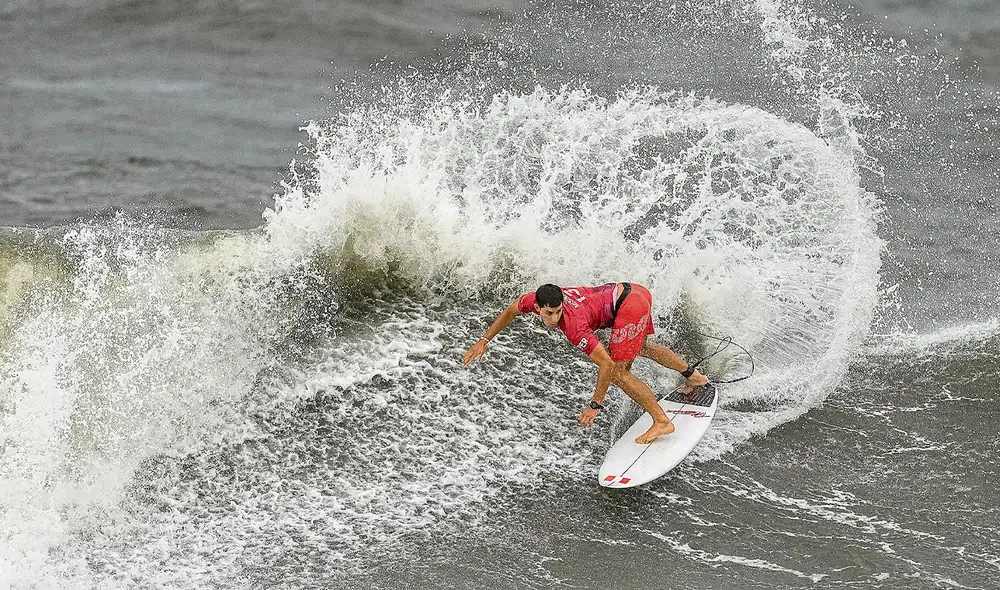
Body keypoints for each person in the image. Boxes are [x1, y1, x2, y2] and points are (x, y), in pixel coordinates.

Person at [463, 282, 709, 444]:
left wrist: (595, 404)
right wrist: (484, 340)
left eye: (558, 312)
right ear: (536, 307)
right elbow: (510, 311)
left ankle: (662, 422)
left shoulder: (574, 327)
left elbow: (606, 365)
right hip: (633, 291)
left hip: (629, 306)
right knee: (640, 347)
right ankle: (693, 376)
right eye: (548, 313)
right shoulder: (531, 300)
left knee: (619, 373)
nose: (554, 318)